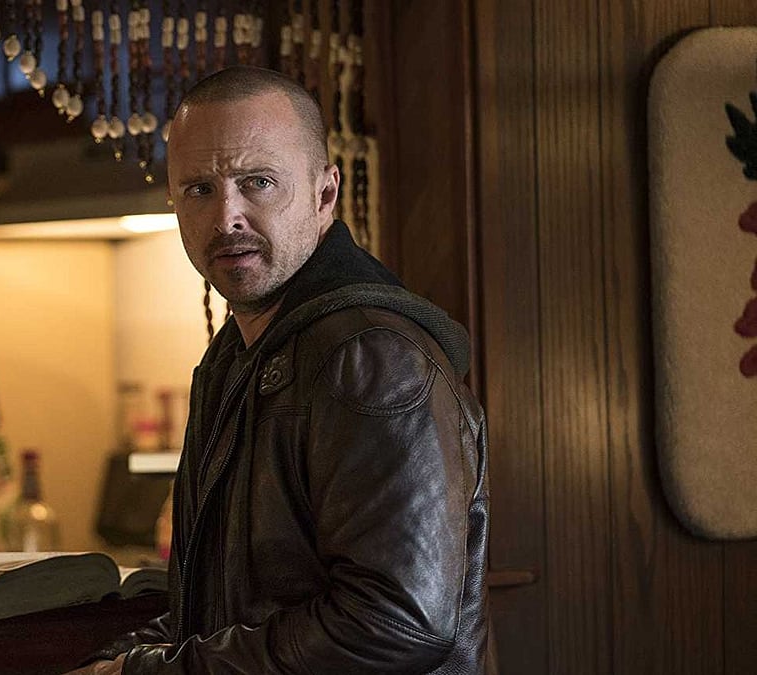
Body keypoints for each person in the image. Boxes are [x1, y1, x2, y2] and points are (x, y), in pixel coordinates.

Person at [70, 65, 489, 674]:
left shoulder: (372, 357)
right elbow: (214, 614)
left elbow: (396, 622)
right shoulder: (239, 355)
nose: (227, 218)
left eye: (258, 183)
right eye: (199, 190)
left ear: (325, 194)